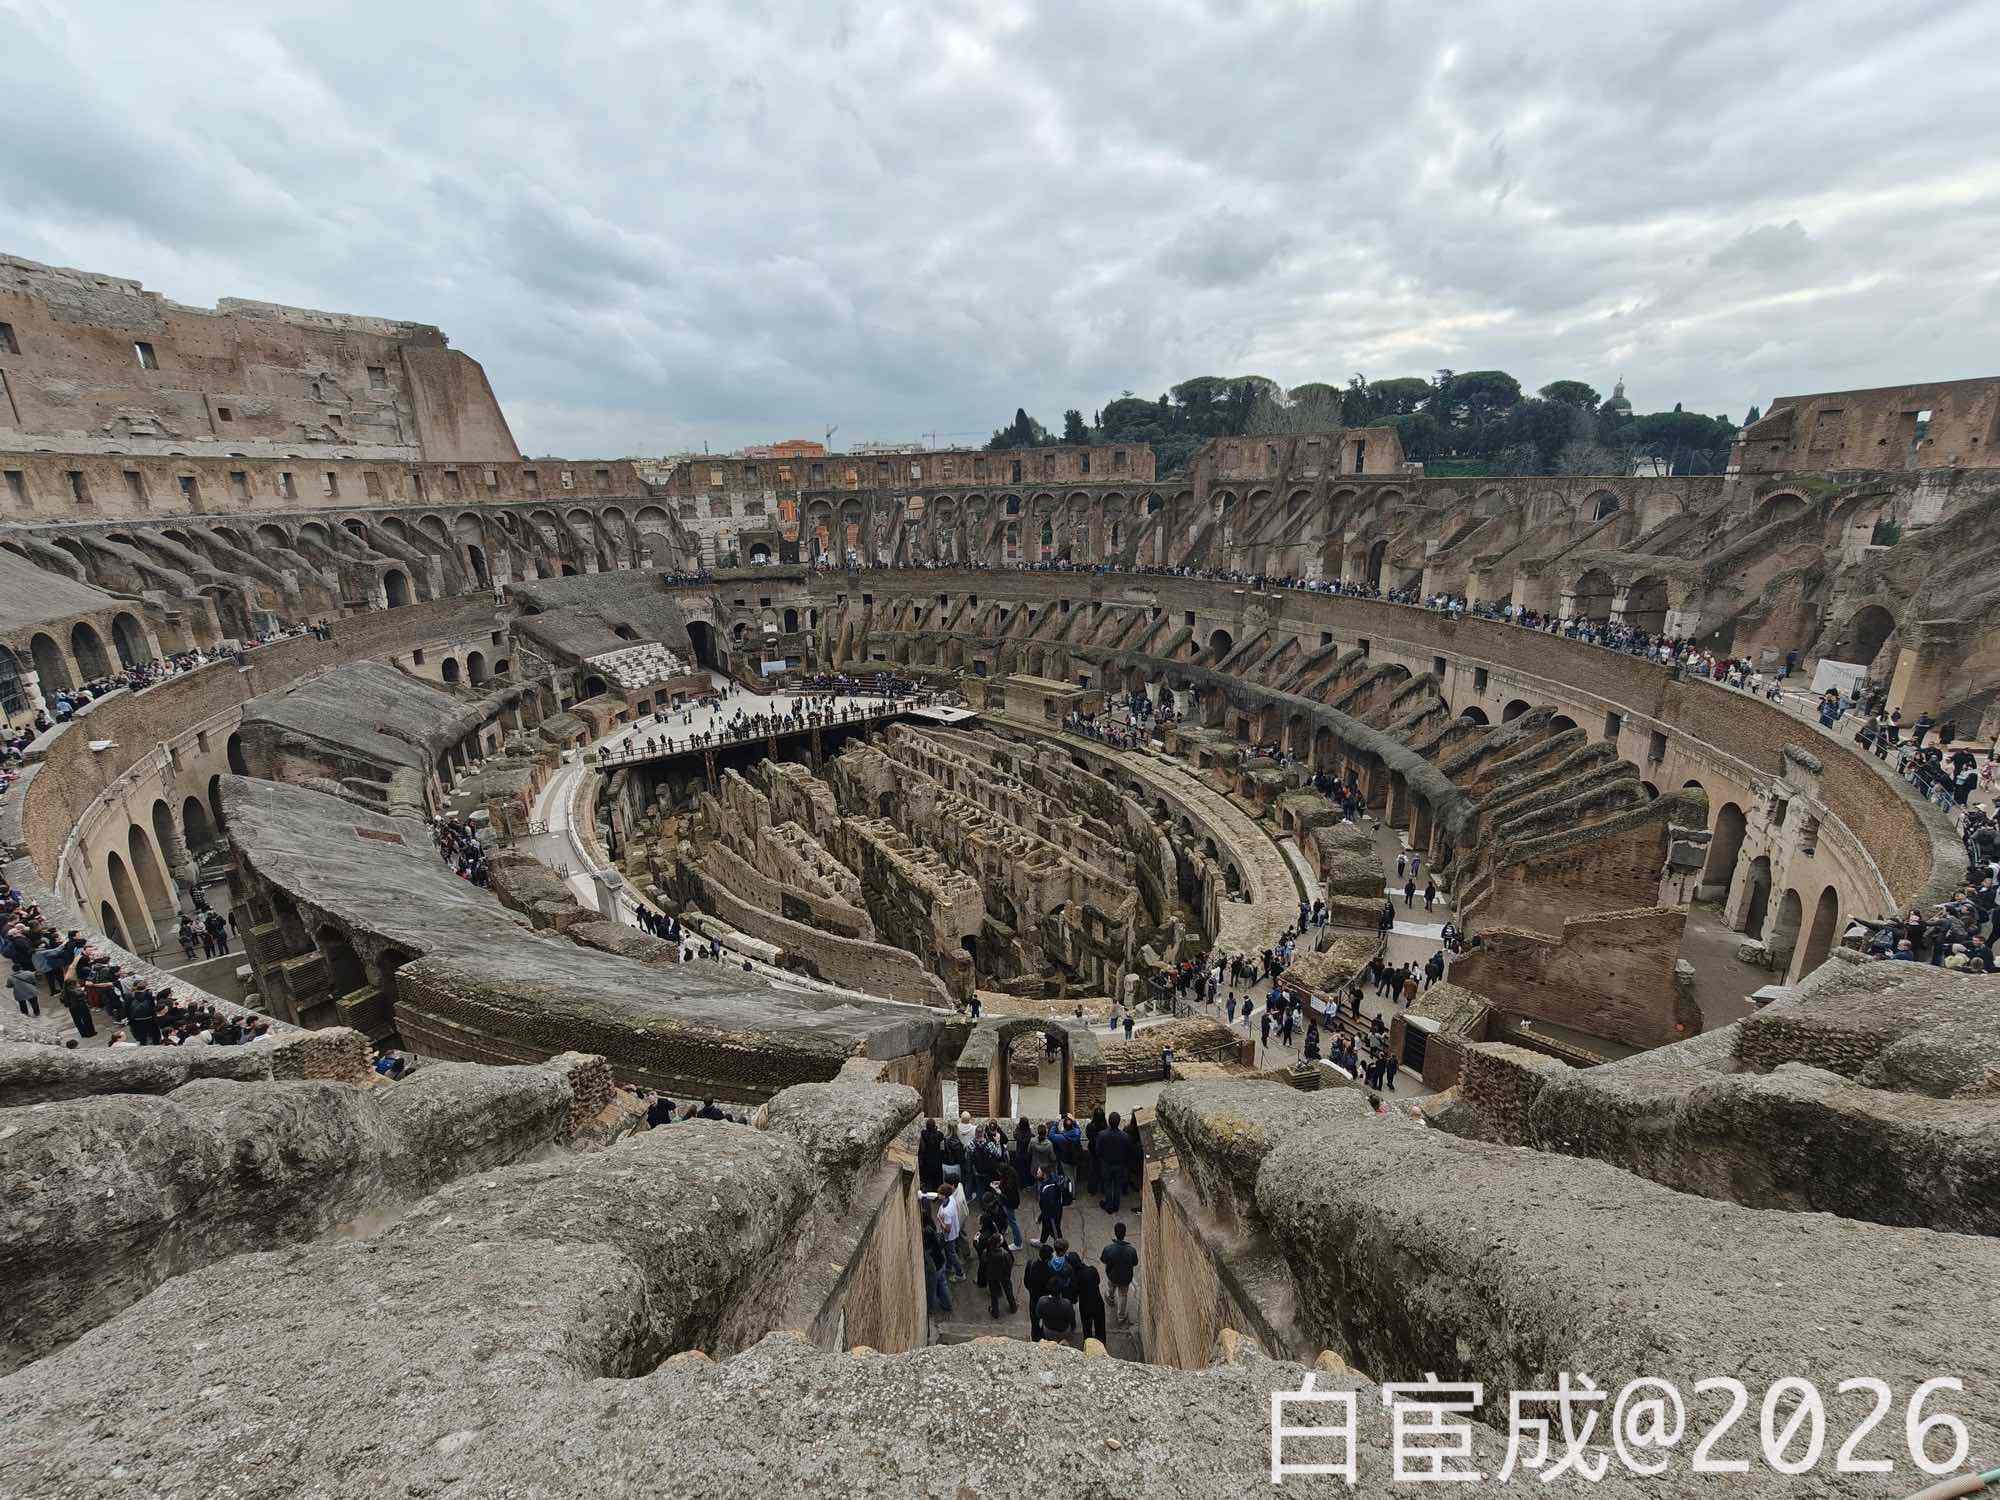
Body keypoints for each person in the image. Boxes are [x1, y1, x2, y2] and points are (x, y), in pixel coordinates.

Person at [1100, 1222, 1139, 1326]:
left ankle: (1110, 1298)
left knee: (1111, 1288)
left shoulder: (1108, 1248)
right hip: (1126, 1278)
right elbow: (1135, 1263)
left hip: (1112, 1275)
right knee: (1123, 1296)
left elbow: (1103, 1260)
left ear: (1115, 1233)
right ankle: (1121, 1317)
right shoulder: (1131, 1250)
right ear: (1124, 1233)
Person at [979, 1228, 1016, 1319]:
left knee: (993, 1294)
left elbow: (983, 1264)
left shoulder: (986, 1253)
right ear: (999, 1243)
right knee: (1008, 1291)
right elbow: (1009, 1265)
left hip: (991, 1276)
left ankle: (995, 1312)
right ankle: (1013, 1307)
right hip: (1004, 1276)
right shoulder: (1005, 1254)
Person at [1071, 1250, 1107, 1343]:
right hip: (1098, 1302)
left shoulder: (1075, 1277)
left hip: (1085, 1305)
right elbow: (1098, 1281)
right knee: (1100, 1327)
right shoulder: (1092, 1269)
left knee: (1087, 1330)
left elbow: (1075, 1292)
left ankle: (1088, 1346)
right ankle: (1102, 1345)